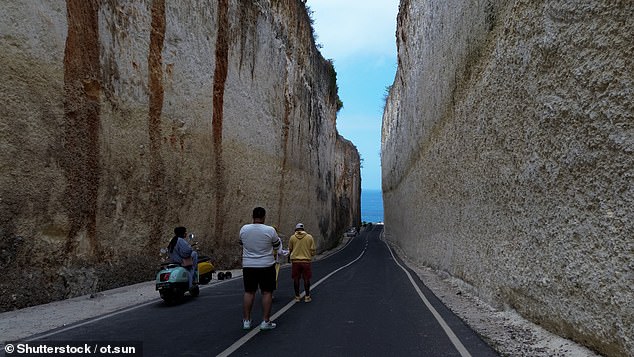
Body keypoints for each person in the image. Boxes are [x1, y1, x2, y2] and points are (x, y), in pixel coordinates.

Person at [239, 207, 280, 330]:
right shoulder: (270, 230)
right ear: (264, 217)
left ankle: (246, 321)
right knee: (267, 292)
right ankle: (265, 321)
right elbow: (277, 245)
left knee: (249, 292)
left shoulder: (244, 229)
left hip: (248, 265)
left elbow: (241, 242)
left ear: (252, 216)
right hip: (266, 265)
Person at [288, 223, 316, 302]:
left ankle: (297, 296)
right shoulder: (309, 237)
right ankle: (307, 296)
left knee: (296, 279)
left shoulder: (292, 238)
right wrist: (310, 255)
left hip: (295, 261)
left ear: (296, 229)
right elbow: (313, 250)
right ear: (303, 229)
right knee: (306, 278)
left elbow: (290, 249)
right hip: (306, 261)